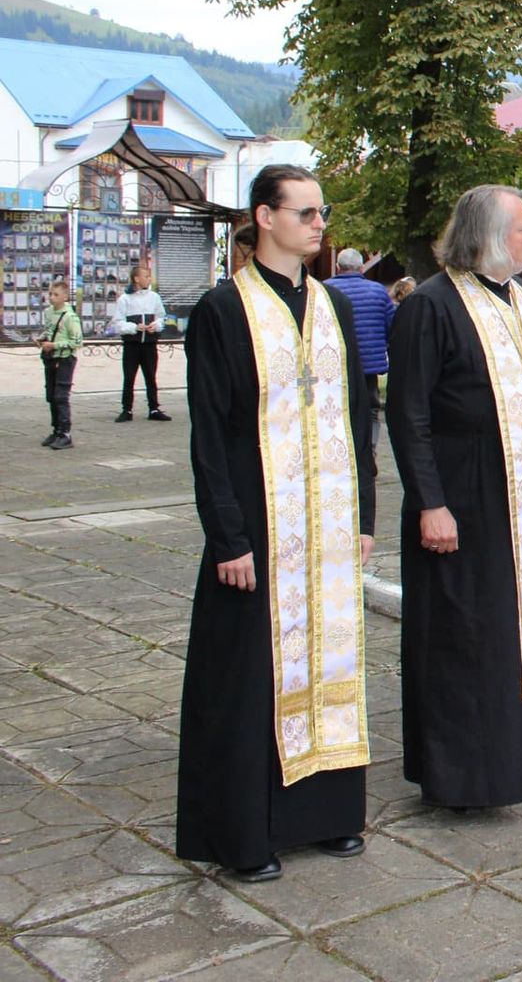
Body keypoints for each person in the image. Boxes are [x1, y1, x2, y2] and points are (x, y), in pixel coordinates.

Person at [175, 164, 375, 882]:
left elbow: (358, 415)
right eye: (306, 212)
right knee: (249, 676)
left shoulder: (333, 307)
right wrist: (226, 535)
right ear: (265, 217)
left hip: (326, 525)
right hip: (257, 524)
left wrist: (363, 514)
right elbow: (209, 434)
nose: (320, 224)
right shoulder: (223, 310)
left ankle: (324, 814)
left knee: (329, 661)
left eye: (323, 213)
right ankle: (242, 831)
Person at [388, 185, 522, 807]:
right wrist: (430, 501)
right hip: (466, 494)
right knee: (470, 632)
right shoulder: (432, 305)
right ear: (488, 235)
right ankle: (468, 773)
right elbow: (408, 413)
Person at [325, 249, 396, 421]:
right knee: (371, 409)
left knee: (341, 410)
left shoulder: (324, 290)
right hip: (369, 363)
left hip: (337, 363)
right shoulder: (379, 291)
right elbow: (392, 327)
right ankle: (370, 445)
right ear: (362, 268)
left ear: (337, 267)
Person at [111, 265, 170, 423]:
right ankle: (127, 409)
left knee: (151, 377)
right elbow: (117, 323)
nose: (149, 279)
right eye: (146, 276)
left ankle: (154, 408)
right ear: (136, 278)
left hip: (149, 344)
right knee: (129, 377)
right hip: (132, 345)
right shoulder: (125, 299)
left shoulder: (154, 297)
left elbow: (161, 317)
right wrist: (134, 327)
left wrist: (155, 326)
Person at [37, 280, 81, 450]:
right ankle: (56, 429)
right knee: (51, 395)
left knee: (61, 396)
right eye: (50, 294)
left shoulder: (70, 316)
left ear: (64, 296)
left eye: (56, 295)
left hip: (64, 359)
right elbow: (50, 330)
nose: (52, 298)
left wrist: (55, 345)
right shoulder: (49, 312)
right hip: (50, 358)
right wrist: (43, 339)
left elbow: (77, 341)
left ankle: (65, 433)